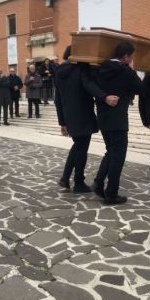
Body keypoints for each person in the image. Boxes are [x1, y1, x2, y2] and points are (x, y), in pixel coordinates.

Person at [55, 46, 119, 193]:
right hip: (83, 114)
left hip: (69, 115)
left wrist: (62, 122)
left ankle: (65, 178)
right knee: (81, 148)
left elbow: (57, 99)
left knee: (78, 145)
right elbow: (89, 85)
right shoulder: (80, 69)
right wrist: (104, 97)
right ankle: (78, 182)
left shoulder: (59, 72)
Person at [92, 42, 144, 205]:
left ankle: (98, 183)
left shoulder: (100, 68)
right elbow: (141, 89)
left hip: (103, 118)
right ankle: (111, 194)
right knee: (118, 157)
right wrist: (132, 70)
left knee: (111, 152)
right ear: (126, 56)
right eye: (131, 56)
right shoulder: (125, 71)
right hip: (118, 120)